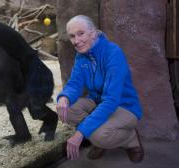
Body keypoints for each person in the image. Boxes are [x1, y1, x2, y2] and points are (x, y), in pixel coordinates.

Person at [56, 15, 144, 163]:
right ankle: (97, 137)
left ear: (94, 33)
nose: (76, 41)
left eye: (81, 33)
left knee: (98, 135)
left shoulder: (113, 53)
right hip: (98, 102)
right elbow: (74, 83)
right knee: (66, 109)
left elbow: (111, 100)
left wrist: (80, 133)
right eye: (72, 36)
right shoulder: (81, 56)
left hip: (124, 106)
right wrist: (64, 97)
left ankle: (131, 139)